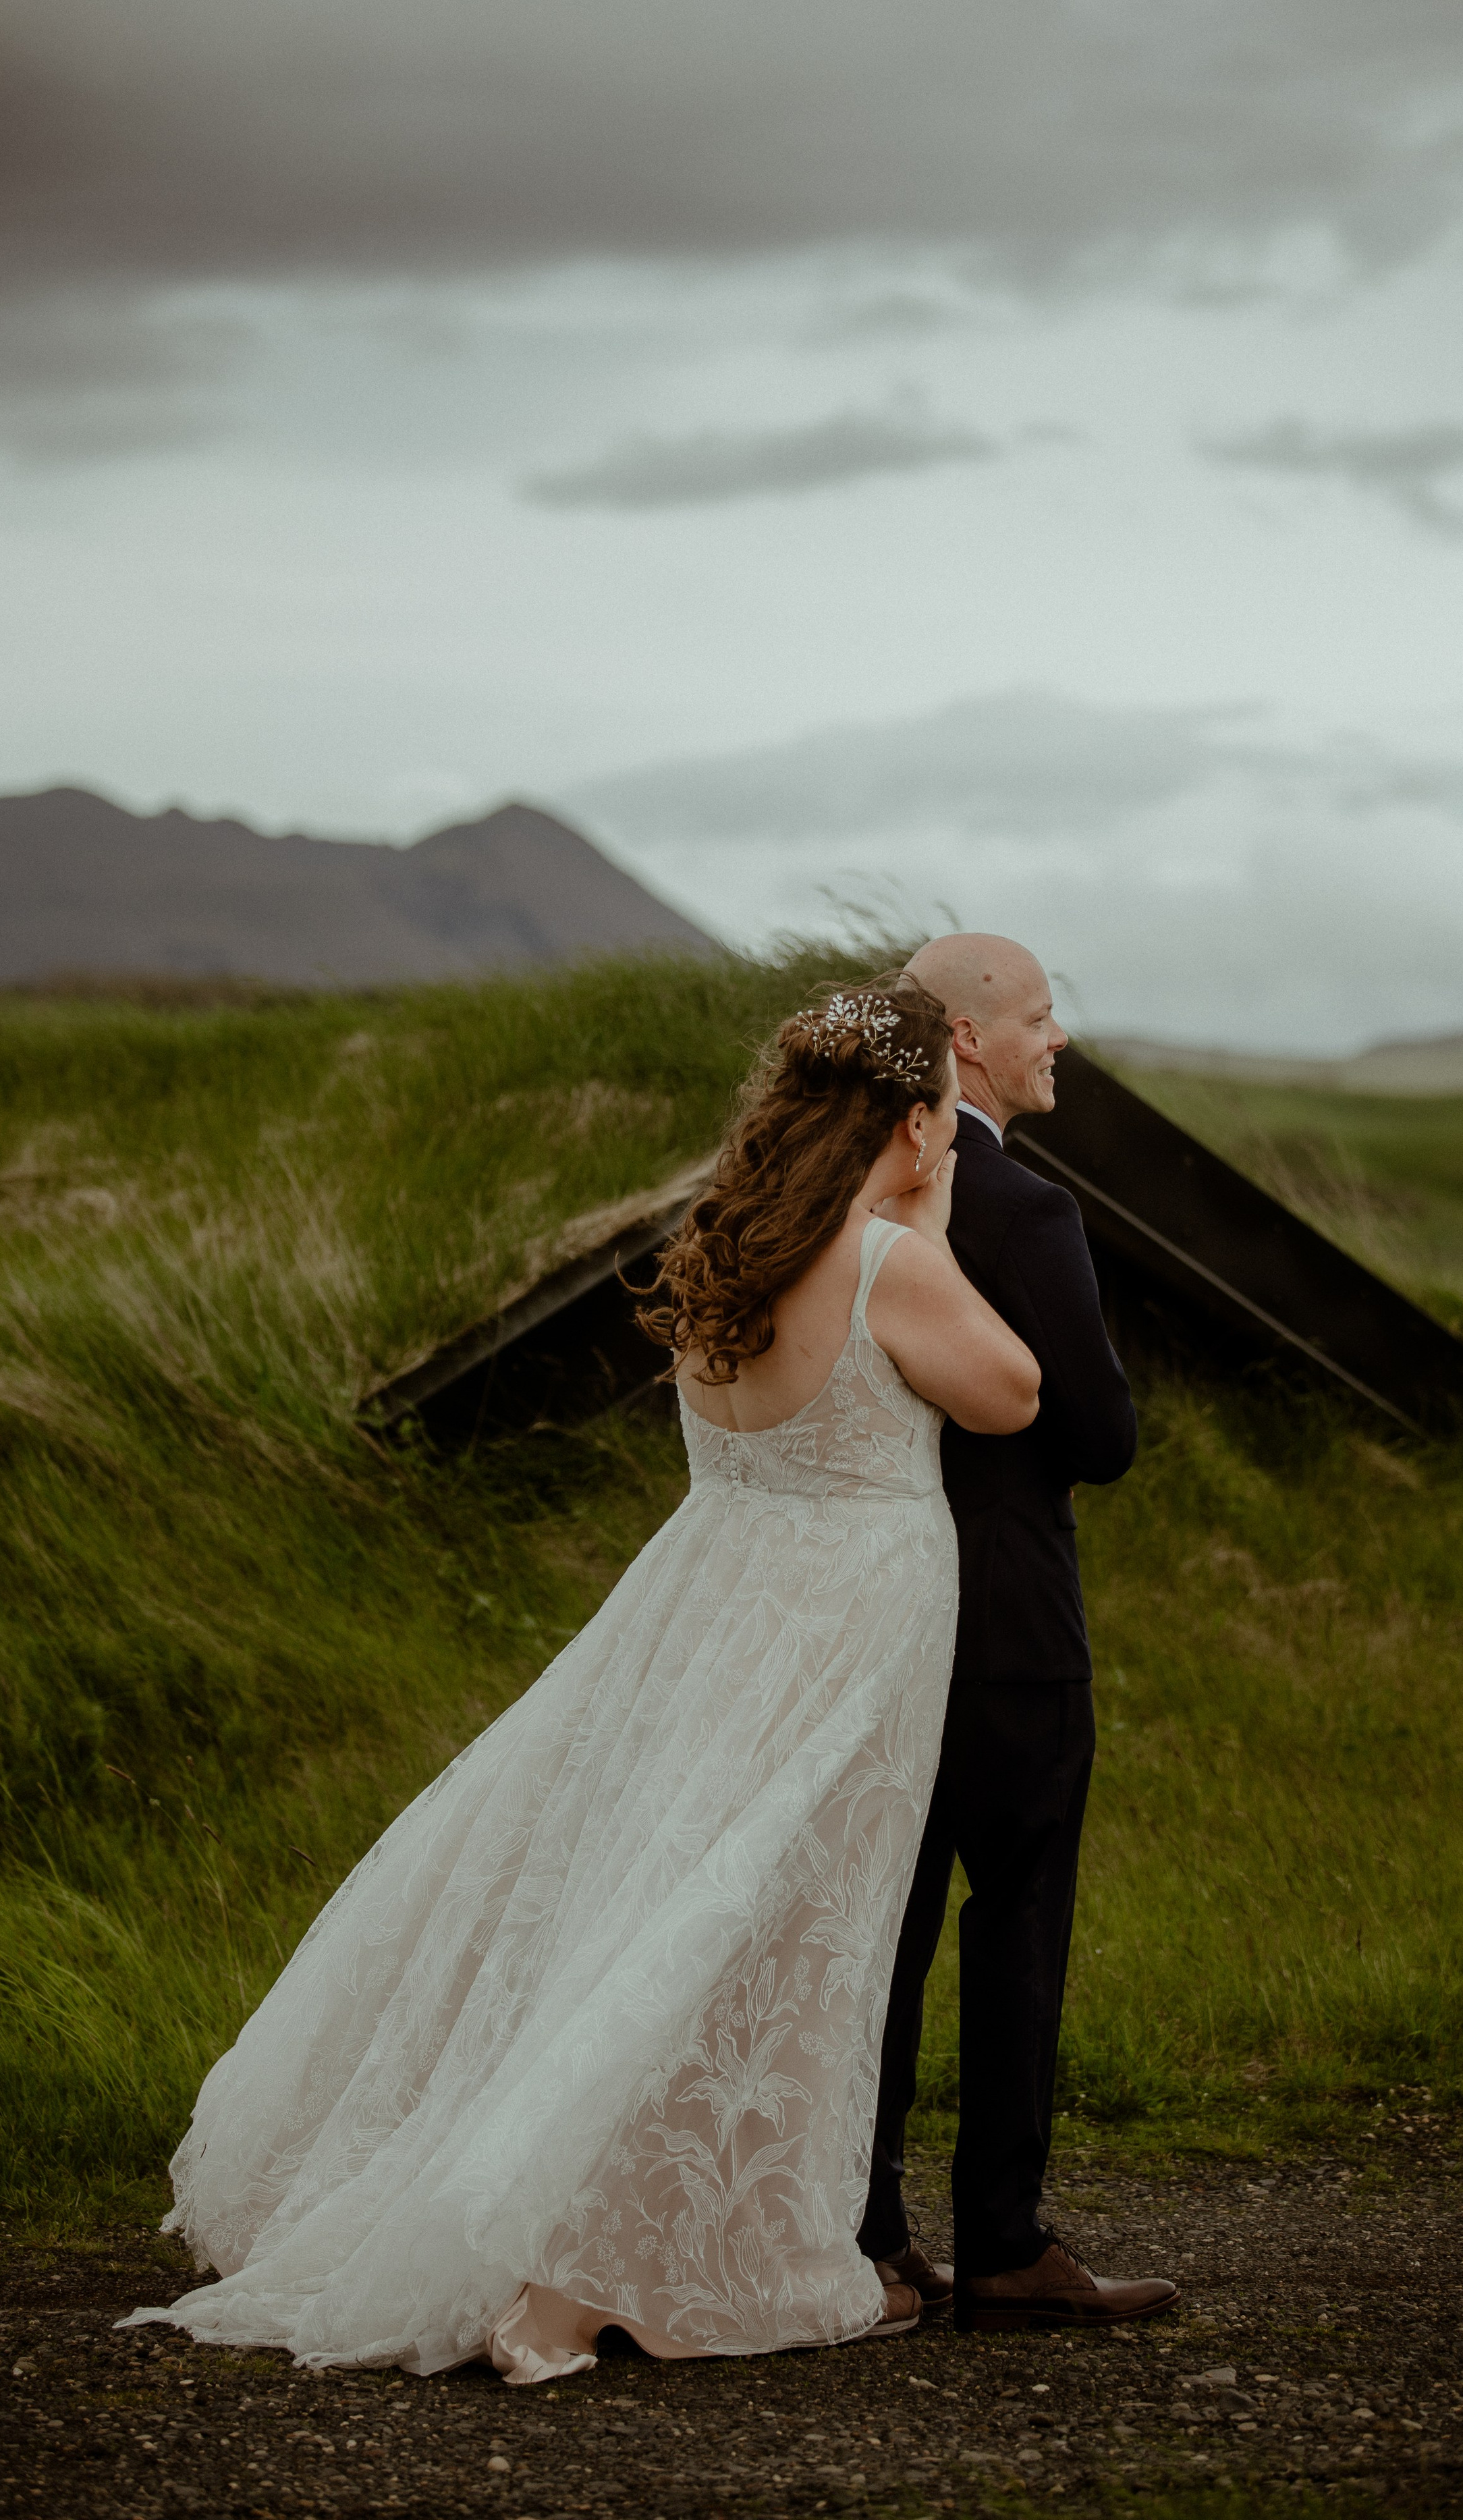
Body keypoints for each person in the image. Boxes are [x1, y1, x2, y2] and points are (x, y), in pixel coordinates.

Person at [121, 978, 1039, 2384]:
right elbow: (1011, 1392)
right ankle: (636, 2265)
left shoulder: (723, 1248)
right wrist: (925, 1225)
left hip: (707, 1602)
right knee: (777, 1927)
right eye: (935, 1131)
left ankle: (602, 2235)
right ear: (917, 1126)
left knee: (664, 1902)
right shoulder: (883, 1262)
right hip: (840, 1629)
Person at [858, 933, 1180, 2333]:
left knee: (881, 1934)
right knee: (1018, 1920)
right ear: (968, 1043)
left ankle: (861, 2234)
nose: (1061, 1041)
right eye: (1042, 1019)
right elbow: (1099, 1438)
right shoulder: (1030, 1215)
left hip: (867, 1616)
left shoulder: (845, 1198)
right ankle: (1000, 2241)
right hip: (1008, 1624)